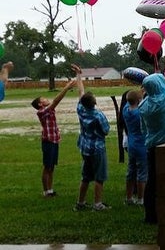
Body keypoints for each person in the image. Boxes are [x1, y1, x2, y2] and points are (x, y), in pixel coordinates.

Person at [138, 73, 165, 224]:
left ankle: (150, 215)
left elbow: (143, 129)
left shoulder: (143, 105)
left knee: (153, 182)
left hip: (152, 146)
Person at [31, 67, 79, 198]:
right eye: (43, 99)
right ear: (40, 105)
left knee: (52, 167)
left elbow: (54, 103)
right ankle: (45, 191)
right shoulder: (41, 112)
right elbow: (56, 101)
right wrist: (66, 88)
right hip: (48, 142)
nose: (46, 99)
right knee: (47, 167)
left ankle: (50, 190)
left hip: (54, 140)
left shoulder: (47, 110)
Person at [73, 65, 112, 211]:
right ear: (94, 102)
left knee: (85, 177)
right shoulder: (98, 115)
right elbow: (106, 131)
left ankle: (80, 203)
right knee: (99, 177)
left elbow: (80, 91)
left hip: (85, 148)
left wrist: (78, 75)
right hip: (97, 149)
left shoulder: (80, 109)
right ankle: (97, 204)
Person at [123, 90, 147, 205]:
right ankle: (141, 199)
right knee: (142, 173)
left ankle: (128, 198)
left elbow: (131, 99)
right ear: (138, 101)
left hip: (131, 145)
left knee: (131, 172)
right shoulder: (140, 114)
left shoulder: (125, 110)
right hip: (141, 146)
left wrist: (140, 92)